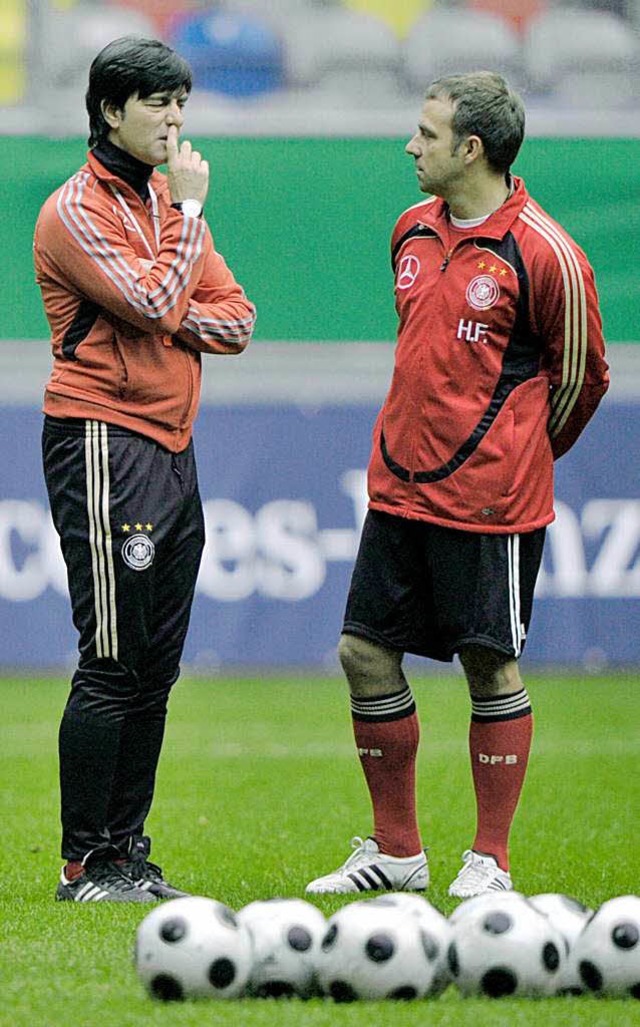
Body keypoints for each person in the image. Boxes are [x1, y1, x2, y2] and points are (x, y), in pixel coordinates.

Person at [306, 71, 608, 899]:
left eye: (427, 133)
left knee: (489, 663)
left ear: (471, 148)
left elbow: (582, 376)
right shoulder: (411, 229)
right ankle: (398, 853)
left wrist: (518, 454)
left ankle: (490, 860)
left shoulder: (544, 250)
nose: (412, 145)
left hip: (492, 500)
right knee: (363, 652)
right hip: (399, 489)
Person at [34, 36, 256, 902]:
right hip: (102, 437)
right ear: (109, 111)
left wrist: (168, 301)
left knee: (156, 663)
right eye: (158, 103)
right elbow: (163, 300)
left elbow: (237, 319)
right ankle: (84, 862)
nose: (174, 119)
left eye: (181, 104)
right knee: (112, 656)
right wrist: (190, 223)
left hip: (170, 440)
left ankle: (127, 851)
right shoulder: (75, 210)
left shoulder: (163, 201)